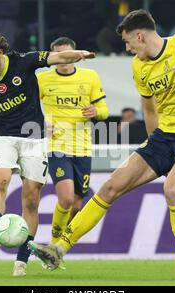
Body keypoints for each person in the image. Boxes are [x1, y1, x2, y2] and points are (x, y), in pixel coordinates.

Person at [29, 9, 175, 280]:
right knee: (110, 187)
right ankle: (58, 249)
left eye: (128, 43)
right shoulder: (140, 67)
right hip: (164, 137)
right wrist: (155, 145)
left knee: (172, 189)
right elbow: (149, 108)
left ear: (140, 36)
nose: (128, 49)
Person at [0, 30, 95, 277]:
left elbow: (57, 58)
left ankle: (21, 261)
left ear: (1, 52)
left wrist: (80, 54)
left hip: (34, 138)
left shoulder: (24, 61)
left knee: (31, 198)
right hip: (1, 136)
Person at [37, 37, 109, 244]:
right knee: (66, 199)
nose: (65, 60)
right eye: (60, 56)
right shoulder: (43, 80)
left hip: (83, 147)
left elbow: (104, 111)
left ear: (76, 56)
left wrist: (96, 111)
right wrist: (41, 121)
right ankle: (52, 244)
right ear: (53, 58)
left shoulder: (90, 77)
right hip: (57, 146)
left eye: (68, 55)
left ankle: (59, 247)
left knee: (77, 204)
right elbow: (29, 109)